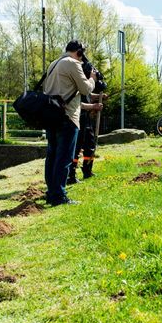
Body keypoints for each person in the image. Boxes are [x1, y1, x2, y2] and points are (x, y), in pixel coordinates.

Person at [43, 40, 96, 206]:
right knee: (64, 158)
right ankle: (59, 195)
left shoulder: (54, 63)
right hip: (68, 117)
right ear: (79, 53)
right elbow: (86, 89)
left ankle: (51, 192)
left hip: (51, 115)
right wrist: (92, 79)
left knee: (52, 156)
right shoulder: (72, 63)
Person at [67, 93, 104, 184]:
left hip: (86, 118)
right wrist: (93, 106)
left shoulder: (84, 86)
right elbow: (76, 103)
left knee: (90, 145)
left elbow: (87, 94)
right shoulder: (73, 87)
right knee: (76, 147)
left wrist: (98, 96)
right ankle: (71, 175)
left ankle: (87, 171)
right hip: (77, 118)